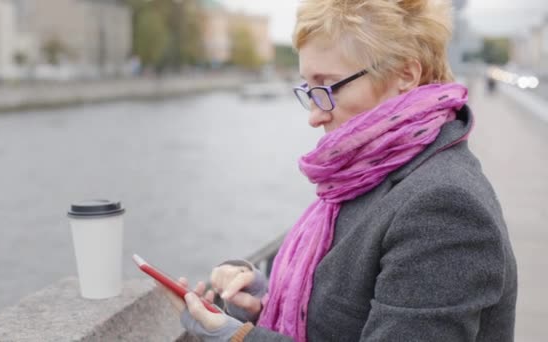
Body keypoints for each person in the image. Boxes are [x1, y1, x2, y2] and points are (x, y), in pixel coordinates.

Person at [157, 0, 518, 341]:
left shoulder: (443, 207)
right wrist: (263, 299)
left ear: (405, 74)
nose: (314, 115)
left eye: (327, 86)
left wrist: (234, 336)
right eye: (309, 90)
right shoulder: (369, 174)